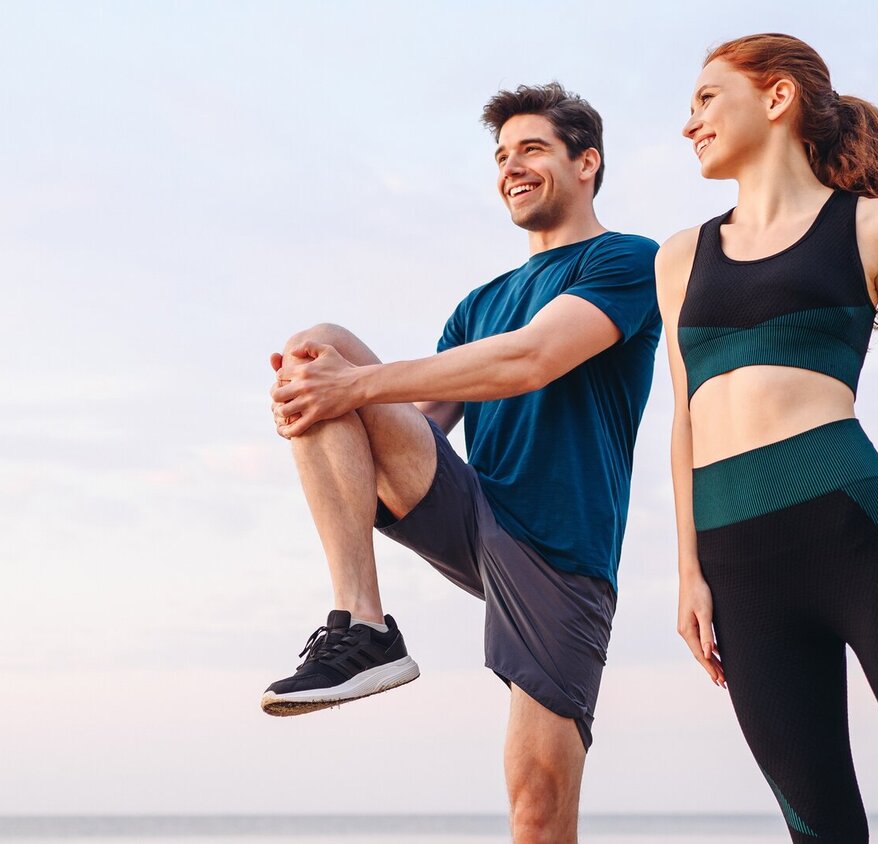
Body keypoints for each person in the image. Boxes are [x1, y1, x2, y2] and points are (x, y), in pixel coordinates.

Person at [262, 83, 661, 843]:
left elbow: (534, 359)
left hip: (559, 549)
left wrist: (352, 386)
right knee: (318, 347)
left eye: (532, 149)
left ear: (587, 162)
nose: (511, 167)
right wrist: (318, 402)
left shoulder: (627, 260)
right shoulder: (480, 302)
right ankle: (364, 625)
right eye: (502, 156)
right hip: (471, 513)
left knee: (536, 810)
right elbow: (420, 428)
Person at [656, 33, 878, 844]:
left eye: (707, 98)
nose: (688, 123)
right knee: (821, 831)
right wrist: (689, 573)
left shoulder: (874, 229)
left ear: (777, 99)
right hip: (737, 564)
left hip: (855, 533)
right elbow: (684, 417)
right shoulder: (680, 257)